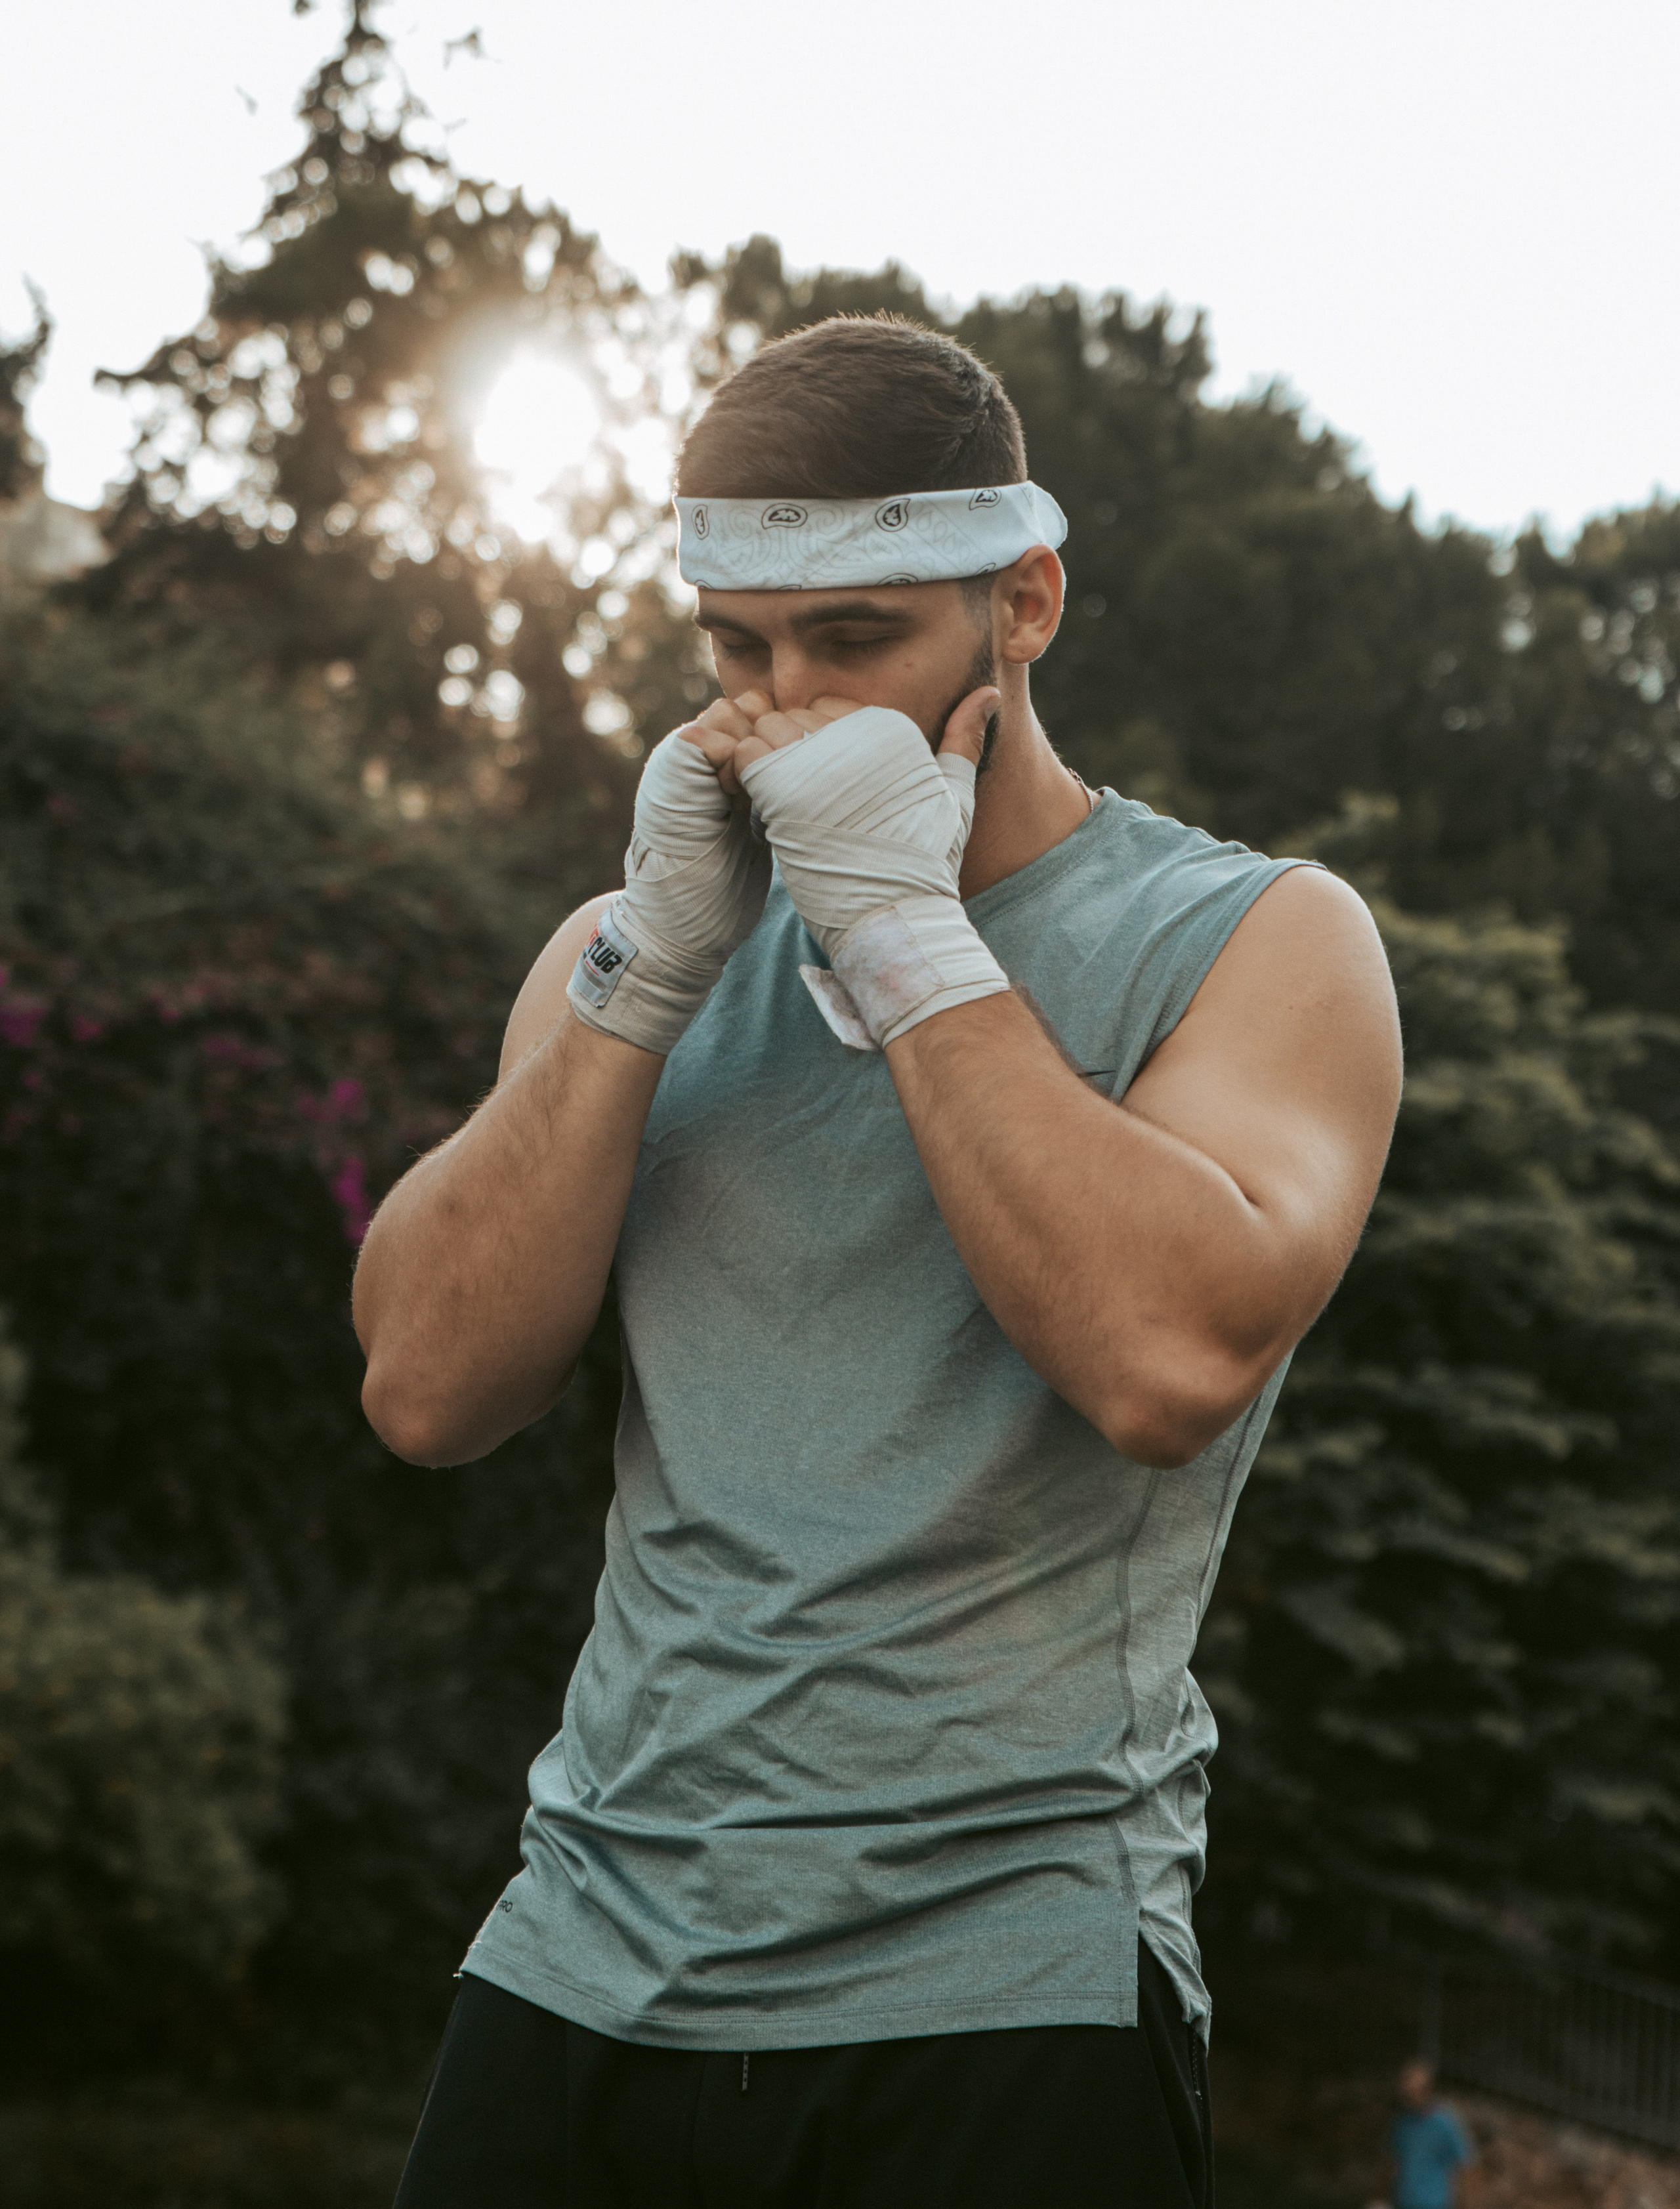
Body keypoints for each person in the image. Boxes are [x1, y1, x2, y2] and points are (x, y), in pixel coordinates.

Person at [355, 314, 1403, 2208]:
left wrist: (899, 928)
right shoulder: (633, 946)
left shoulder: (1258, 938)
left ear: (1026, 600)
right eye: (738, 651)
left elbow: (1166, 1361)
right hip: (584, 1948)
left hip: (1001, 1985)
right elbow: (428, 1384)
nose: (783, 709)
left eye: (856, 645)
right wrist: (643, 977)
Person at [1381, 2059, 1476, 2209]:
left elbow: (1466, 2165)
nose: (1408, 2098)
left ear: (1428, 2090)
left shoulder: (1446, 2122)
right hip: (1403, 2202)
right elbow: (1389, 2161)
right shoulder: (1401, 2122)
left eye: (1413, 2093)